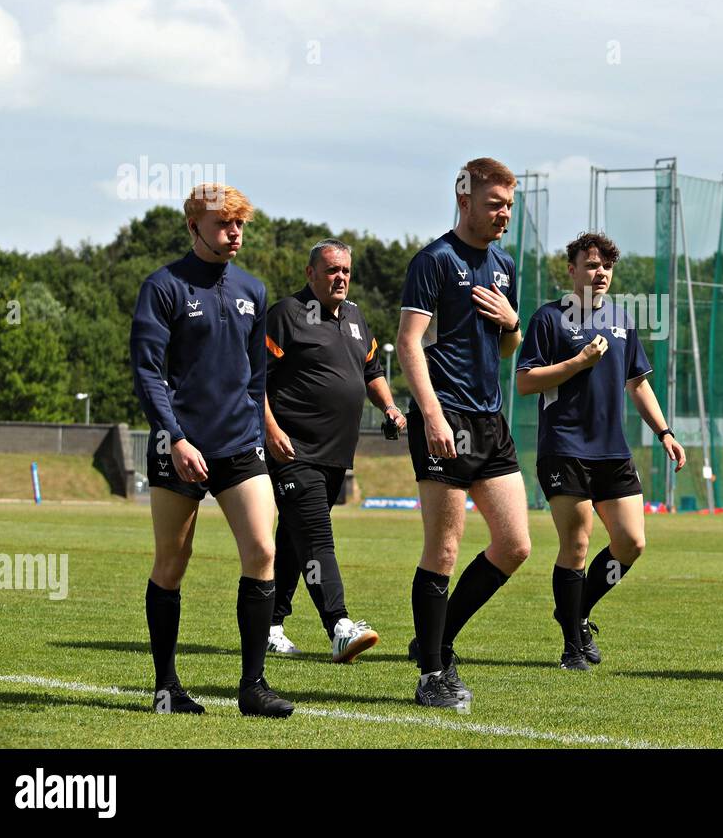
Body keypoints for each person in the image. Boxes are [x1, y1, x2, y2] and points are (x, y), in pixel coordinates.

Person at [130, 183, 293, 718]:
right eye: (224, 224)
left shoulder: (253, 288)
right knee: (173, 562)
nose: (234, 233)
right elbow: (148, 370)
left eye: (240, 224)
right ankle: (166, 687)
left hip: (238, 446)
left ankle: (253, 687)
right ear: (193, 226)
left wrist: (255, 424)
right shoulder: (163, 287)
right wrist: (174, 436)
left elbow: (256, 373)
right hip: (177, 444)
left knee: (263, 552)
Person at [516, 232, 686, 669]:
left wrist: (664, 431)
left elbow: (638, 383)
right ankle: (573, 645)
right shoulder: (548, 319)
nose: (600, 272)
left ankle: (578, 611)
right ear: (571, 270)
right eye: (591, 265)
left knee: (631, 542)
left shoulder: (623, 320)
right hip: (565, 448)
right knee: (576, 544)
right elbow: (525, 381)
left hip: (613, 451)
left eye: (606, 266)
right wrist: (578, 363)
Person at [396, 158, 529, 709]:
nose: (504, 215)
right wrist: (430, 415)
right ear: (465, 200)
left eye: (509, 206)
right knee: (444, 549)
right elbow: (408, 343)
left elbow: (507, 349)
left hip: (490, 420)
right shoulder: (433, 260)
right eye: (495, 203)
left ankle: (436, 641)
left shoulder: (503, 265)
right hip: (444, 416)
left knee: (515, 545)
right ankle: (431, 675)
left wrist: (512, 323)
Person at [263, 238, 406, 663]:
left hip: (335, 457)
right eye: (331, 270)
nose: (340, 277)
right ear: (311, 274)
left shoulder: (357, 317)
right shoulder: (286, 314)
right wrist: (269, 429)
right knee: (317, 537)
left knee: (294, 539)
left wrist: (391, 406)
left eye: (345, 270)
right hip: (293, 452)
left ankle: (270, 625)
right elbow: (253, 379)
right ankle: (339, 626)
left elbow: (371, 370)